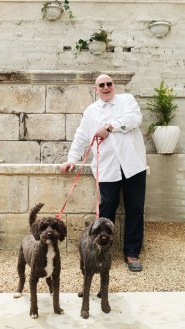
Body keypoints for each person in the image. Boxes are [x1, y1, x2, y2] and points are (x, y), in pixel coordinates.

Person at [60, 74, 148, 272]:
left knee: (135, 208)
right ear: (96, 89)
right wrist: (71, 160)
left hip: (133, 165)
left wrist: (109, 127)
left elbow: (134, 119)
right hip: (107, 167)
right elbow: (81, 136)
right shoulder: (90, 111)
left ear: (114, 86)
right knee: (106, 209)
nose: (106, 87)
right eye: (102, 85)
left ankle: (131, 253)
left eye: (109, 84)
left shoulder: (127, 100)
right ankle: (102, 251)